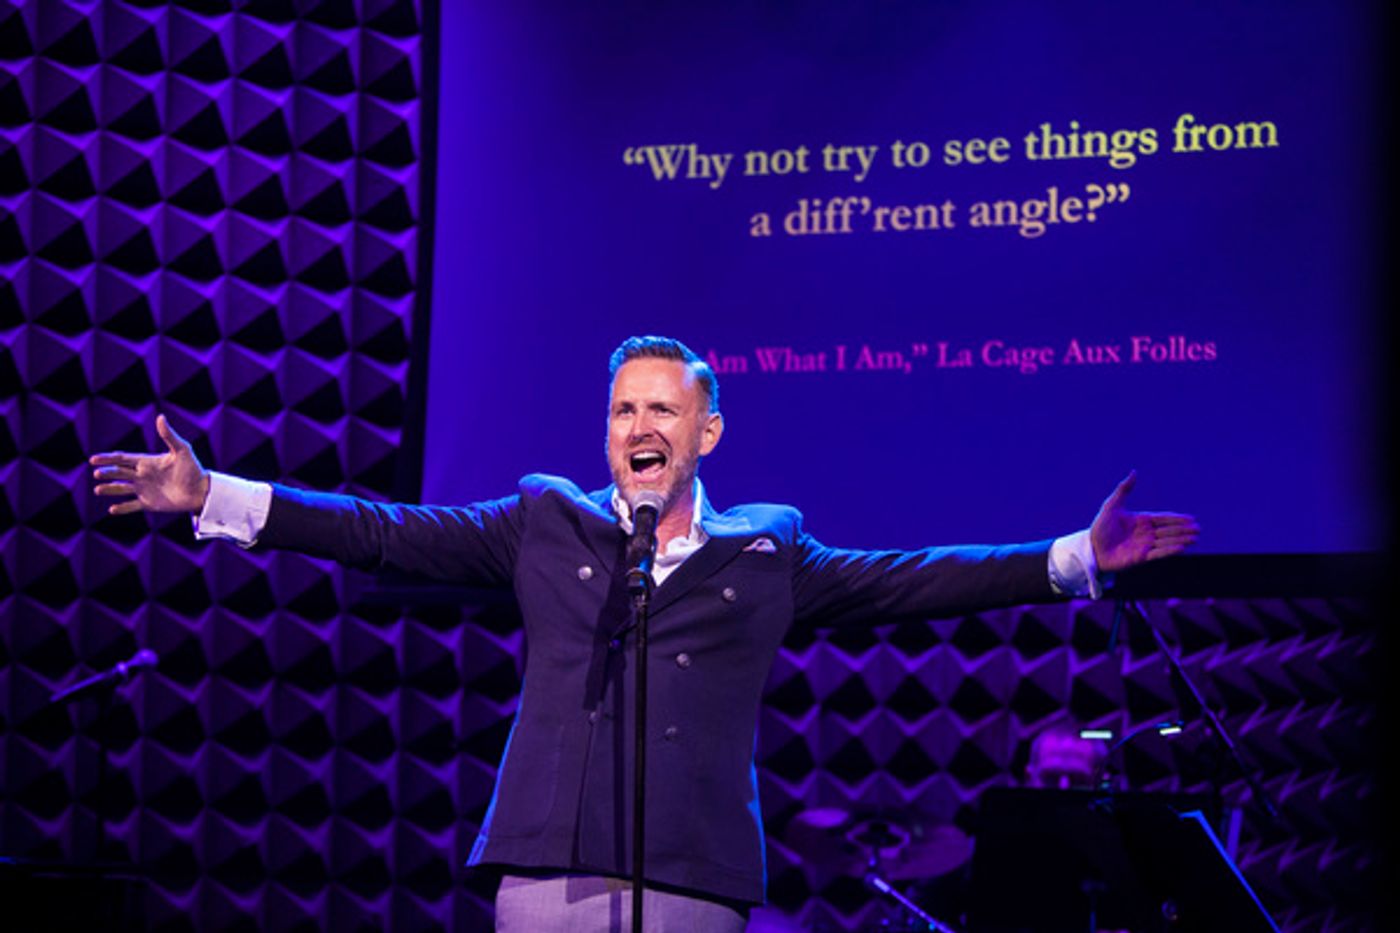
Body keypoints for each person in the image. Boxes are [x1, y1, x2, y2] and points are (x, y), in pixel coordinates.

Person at [91, 336, 1198, 931]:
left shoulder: (766, 554)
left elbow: (913, 581)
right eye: (623, 409)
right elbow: (386, 533)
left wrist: (1071, 558)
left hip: (686, 871)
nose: (638, 426)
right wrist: (215, 498)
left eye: (661, 409)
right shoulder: (544, 522)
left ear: (705, 431)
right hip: (542, 865)